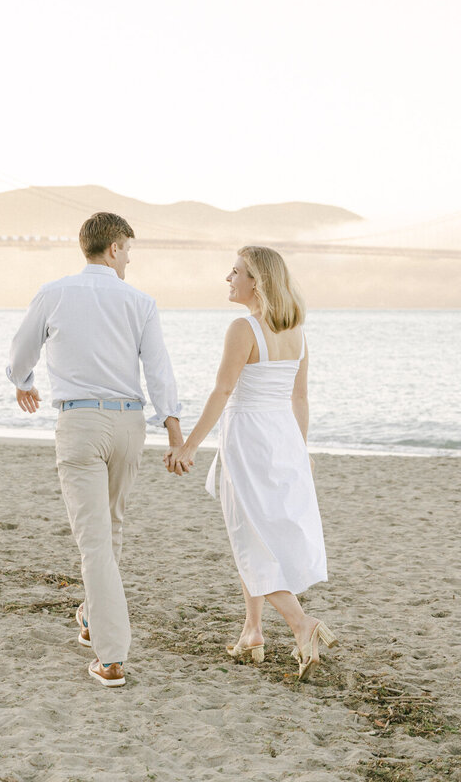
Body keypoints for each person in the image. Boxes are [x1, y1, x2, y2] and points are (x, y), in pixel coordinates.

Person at [7, 212, 183, 688]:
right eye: (127, 249)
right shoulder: (140, 301)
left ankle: (111, 657)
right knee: (110, 529)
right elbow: (160, 370)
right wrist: (174, 430)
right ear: (112, 249)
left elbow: (21, 350)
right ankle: (91, 614)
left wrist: (22, 381)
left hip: (80, 422)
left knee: (95, 540)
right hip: (129, 423)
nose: (128, 259)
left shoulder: (53, 293)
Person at [166, 246, 337, 680]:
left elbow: (223, 393)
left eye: (236, 271)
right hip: (282, 438)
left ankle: (302, 624)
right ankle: (252, 631)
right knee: (257, 536)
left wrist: (188, 446)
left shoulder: (243, 328)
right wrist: (301, 449)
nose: (228, 277)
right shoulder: (297, 331)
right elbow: (300, 398)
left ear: (256, 281)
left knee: (250, 538)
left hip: (248, 440)